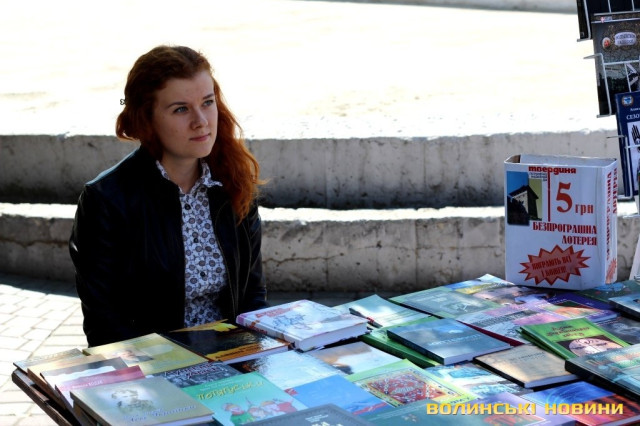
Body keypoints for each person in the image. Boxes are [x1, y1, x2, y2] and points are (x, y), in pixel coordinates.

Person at [69, 45, 267, 347]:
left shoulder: (233, 181)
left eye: (207, 102)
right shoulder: (106, 200)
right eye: (181, 109)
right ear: (147, 119)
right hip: (153, 366)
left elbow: (253, 297)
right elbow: (105, 326)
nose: (201, 121)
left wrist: (254, 359)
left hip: (234, 360)